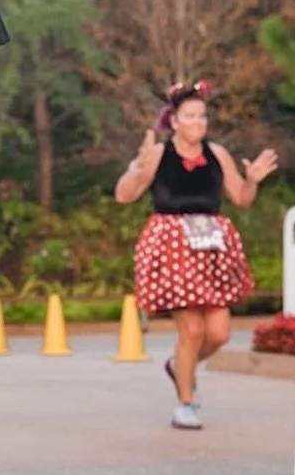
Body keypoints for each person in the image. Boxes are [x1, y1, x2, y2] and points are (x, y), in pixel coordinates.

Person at [114, 80, 277, 430]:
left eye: (202, 115)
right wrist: (136, 168)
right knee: (191, 329)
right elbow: (124, 196)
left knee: (218, 333)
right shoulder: (159, 154)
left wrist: (252, 179)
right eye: (190, 116)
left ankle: (180, 366)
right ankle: (185, 404)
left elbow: (241, 198)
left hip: (211, 247)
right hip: (172, 248)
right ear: (174, 121)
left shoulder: (217, 154)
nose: (198, 122)